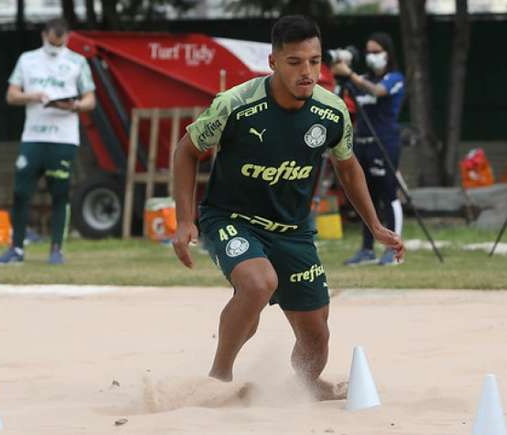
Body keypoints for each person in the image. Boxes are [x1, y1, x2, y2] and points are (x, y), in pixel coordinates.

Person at [171, 15, 404, 400]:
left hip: (293, 230)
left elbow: (348, 168)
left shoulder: (332, 112)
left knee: (317, 333)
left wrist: (376, 226)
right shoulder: (235, 104)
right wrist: (184, 220)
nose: (307, 71)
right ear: (273, 62)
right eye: (295, 62)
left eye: (314, 61)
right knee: (258, 284)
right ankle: (217, 380)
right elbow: (186, 151)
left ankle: (305, 388)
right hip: (231, 218)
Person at [0, 18, 96, 265]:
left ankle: (56, 250)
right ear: (44, 35)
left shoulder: (77, 62)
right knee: (20, 192)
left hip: (63, 138)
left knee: (59, 193)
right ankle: (16, 249)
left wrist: (76, 105)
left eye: (60, 42)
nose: (55, 46)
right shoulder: (27, 60)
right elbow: (11, 95)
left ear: (68, 37)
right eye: (52, 41)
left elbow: (90, 99)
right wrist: (33, 96)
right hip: (33, 136)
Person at [332, 33, 406, 266]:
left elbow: (378, 92)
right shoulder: (360, 80)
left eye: (376, 52)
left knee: (388, 193)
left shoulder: (395, 78)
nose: (371, 56)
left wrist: (350, 75)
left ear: (387, 53)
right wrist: (343, 78)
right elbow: (338, 98)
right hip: (361, 142)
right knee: (365, 197)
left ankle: (394, 249)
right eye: (368, 52)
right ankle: (367, 249)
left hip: (385, 142)